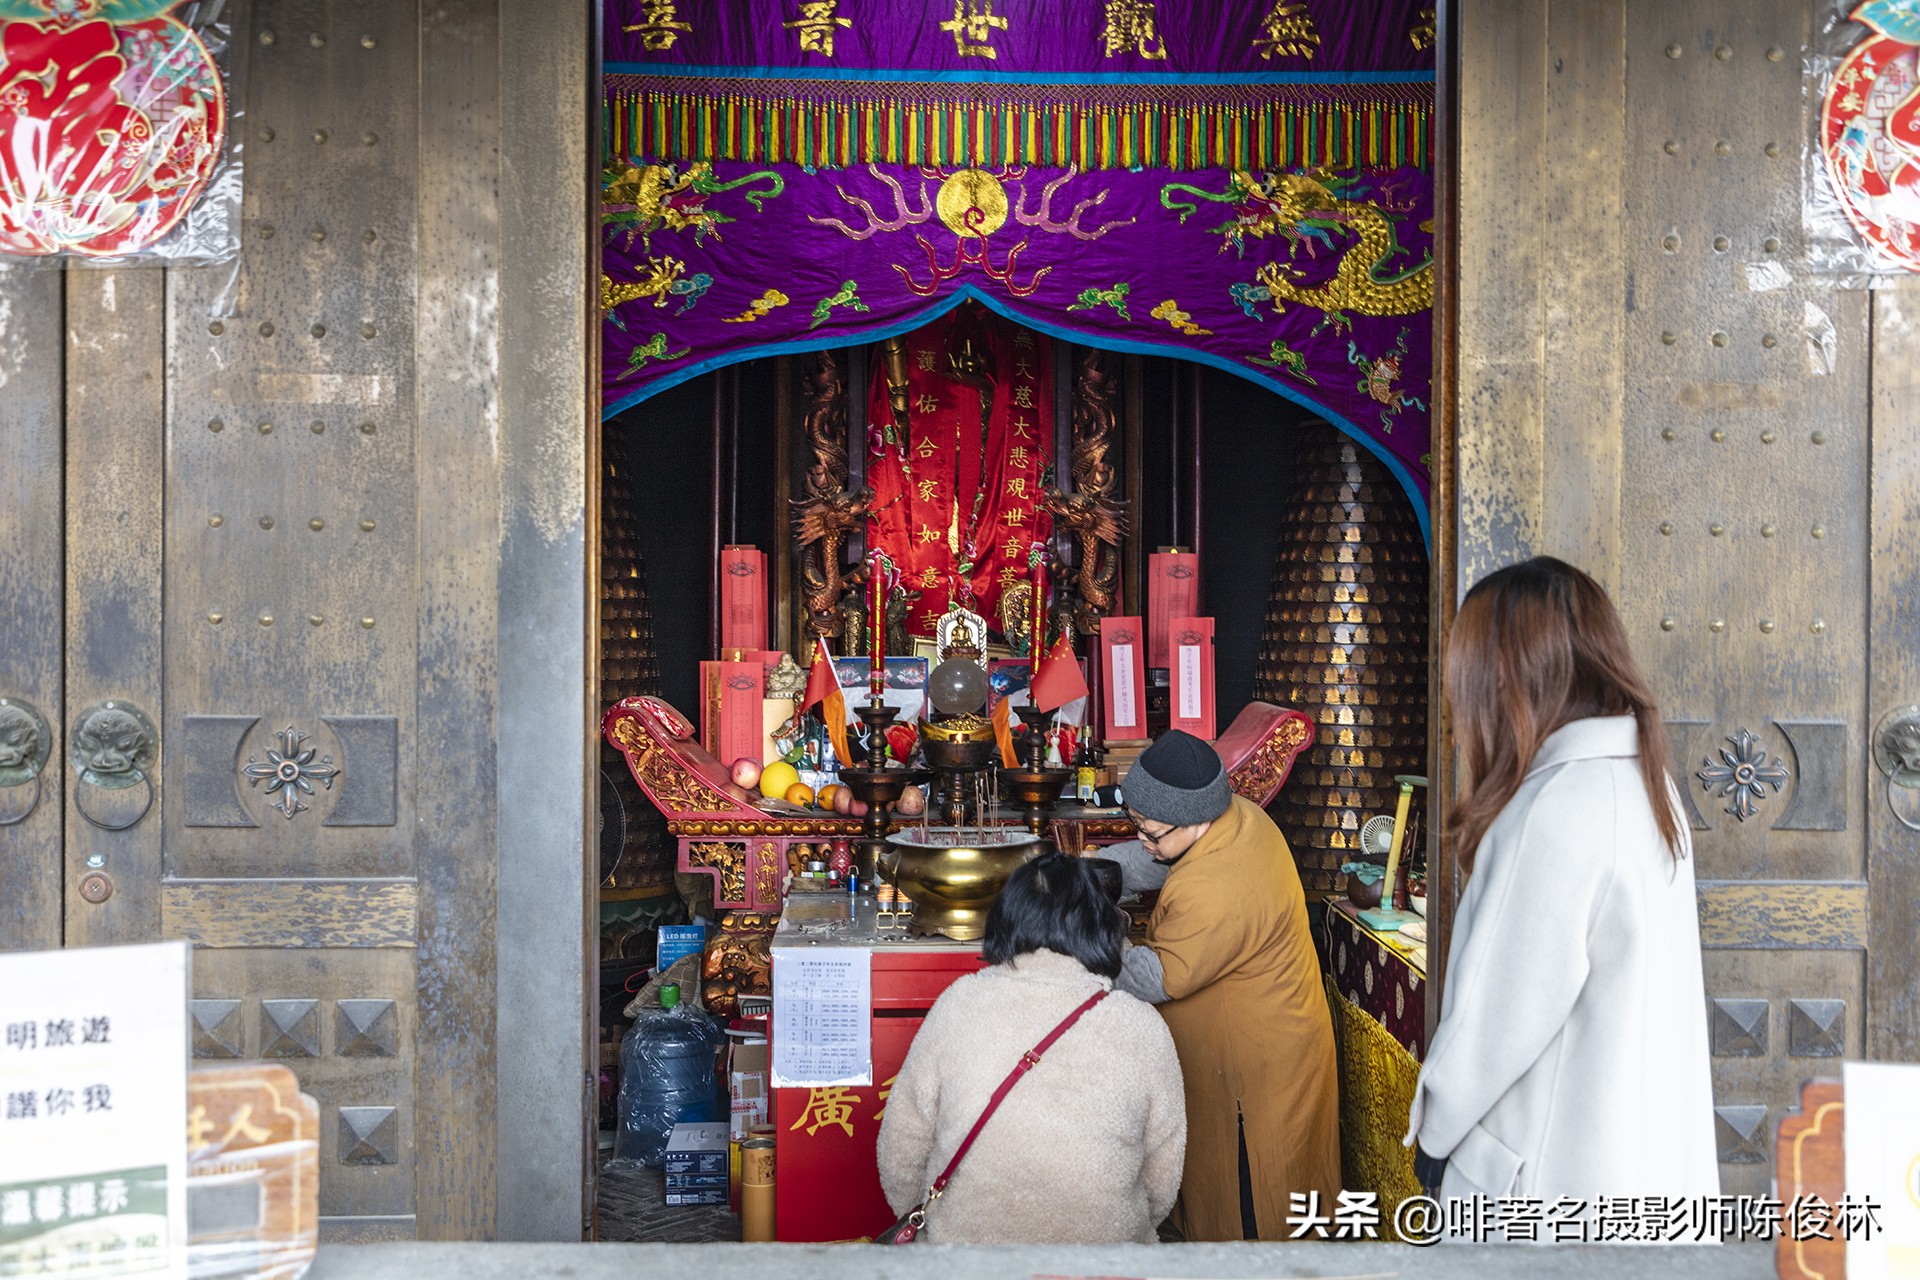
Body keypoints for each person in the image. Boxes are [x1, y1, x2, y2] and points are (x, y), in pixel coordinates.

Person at [1406, 557, 1718, 1228]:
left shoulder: (1554, 809)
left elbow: (1495, 1021)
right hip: (1631, 1170)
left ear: (1499, 678)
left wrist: (1430, 1140)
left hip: (1548, 1189)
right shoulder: (1647, 785)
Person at [875, 853, 1186, 1243]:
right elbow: (1162, 1181)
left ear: (1004, 919)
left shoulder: (959, 1004)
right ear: (1100, 925)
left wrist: (935, 1224)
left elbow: (901, 1153)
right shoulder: (1143, 1026)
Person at [1106, 730, 1341, 1241]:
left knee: (1252, 1197)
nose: (1142, 840)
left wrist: (1092, 937)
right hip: (1255, 1039)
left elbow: (1158, 978)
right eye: (1136, 825)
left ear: (1196, 821)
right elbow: (1154, 857)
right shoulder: (1233, 816)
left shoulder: (1218, 885)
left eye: (1149, 831)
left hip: (1254, 1069)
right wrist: (1082, 874)